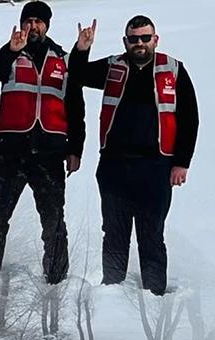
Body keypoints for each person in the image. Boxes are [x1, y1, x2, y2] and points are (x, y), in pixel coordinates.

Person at [71, 15, 198, 296]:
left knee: (151, 235)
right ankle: (112, 296)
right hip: (115, 166)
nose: (139, 43)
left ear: (155, 39)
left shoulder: (173, 69)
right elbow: (76, 76)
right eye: (133, 39)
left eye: (144, 38)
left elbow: (190, 119)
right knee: (114, 234)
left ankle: (154, 297)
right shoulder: (114, 65)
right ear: (125, 41)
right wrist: (82, 49)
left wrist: (181, 163)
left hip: (156, 166)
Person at [0, 2, 85, 288]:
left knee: (54, 221)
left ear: (47, 25)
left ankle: (57, 281)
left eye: (39, 21)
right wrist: (12, 49)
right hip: (11, 149)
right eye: (29, 20)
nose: (33, 26)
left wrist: (76, 149)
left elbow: (75, 107)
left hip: (49, 152)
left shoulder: (63, 59)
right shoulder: (10, 54)